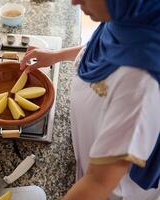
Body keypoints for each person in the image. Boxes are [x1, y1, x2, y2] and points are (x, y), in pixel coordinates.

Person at [20, 0, 160, 199]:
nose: (74, 1)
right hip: (93, 146)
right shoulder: (132, 21)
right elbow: (103, 46)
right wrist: (55, 56)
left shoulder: (141, 83)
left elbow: (98, 182)